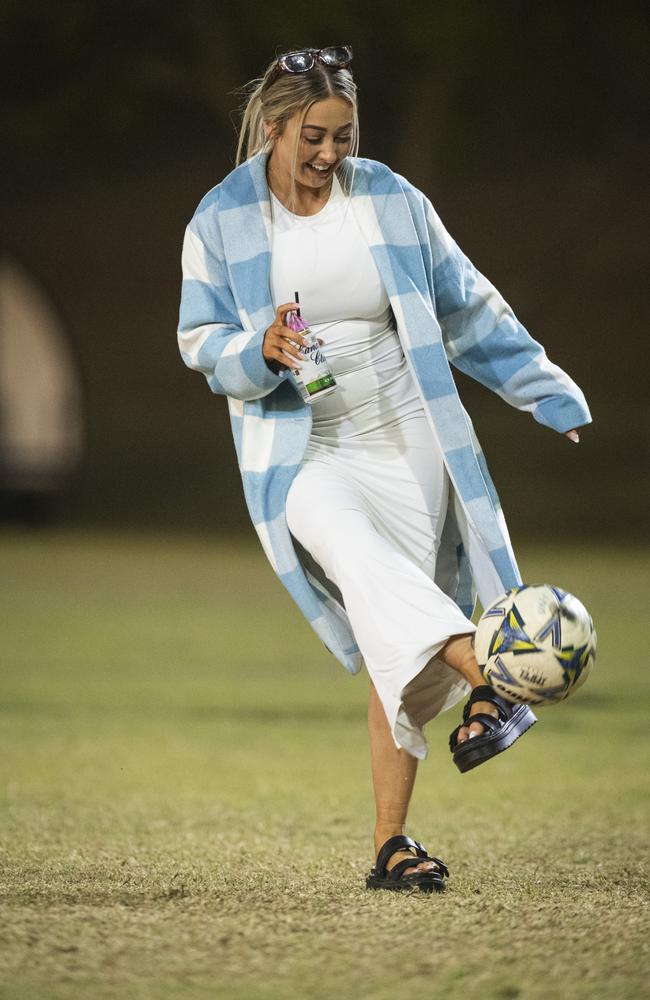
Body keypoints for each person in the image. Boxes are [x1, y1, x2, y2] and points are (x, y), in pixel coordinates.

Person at [177, 45, 591, 893]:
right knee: (358, 561)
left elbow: (466, 302)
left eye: (343, 135)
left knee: (389, 631)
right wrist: (255, 348)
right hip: (303, 447)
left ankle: (391, 847)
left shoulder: (392, 198)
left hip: (407, 439)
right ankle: (495, 675)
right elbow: (198, 340)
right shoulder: (220, 218)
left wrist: (544, 390)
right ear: (273, 126)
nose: (329, 155)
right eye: (312, 137)